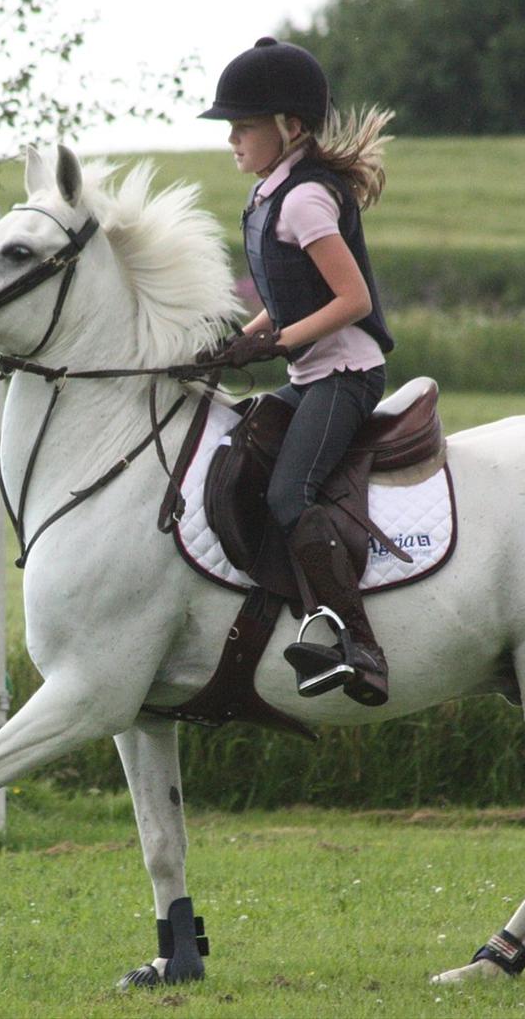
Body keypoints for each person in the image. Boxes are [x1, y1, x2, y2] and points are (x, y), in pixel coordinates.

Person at [199, 37, 395, 707]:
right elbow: (289, 300)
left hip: (344, 372)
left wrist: (277, 343)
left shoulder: (305, 200)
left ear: (289, 127)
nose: (233, 139)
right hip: (313, 369)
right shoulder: (266, 195)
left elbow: (352, 301)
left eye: (243, 126)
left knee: (290, 492)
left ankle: (359, 646)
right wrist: (240, 341)